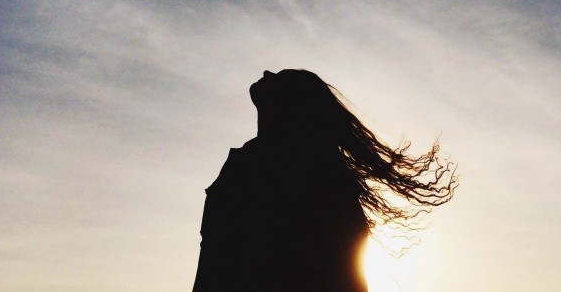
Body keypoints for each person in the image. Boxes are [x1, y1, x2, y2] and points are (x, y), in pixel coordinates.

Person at [193, 69, 456, 291]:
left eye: (283, 77)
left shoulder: (296, 170)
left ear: (293, 104)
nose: (267, 72)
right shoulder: (259, 160)